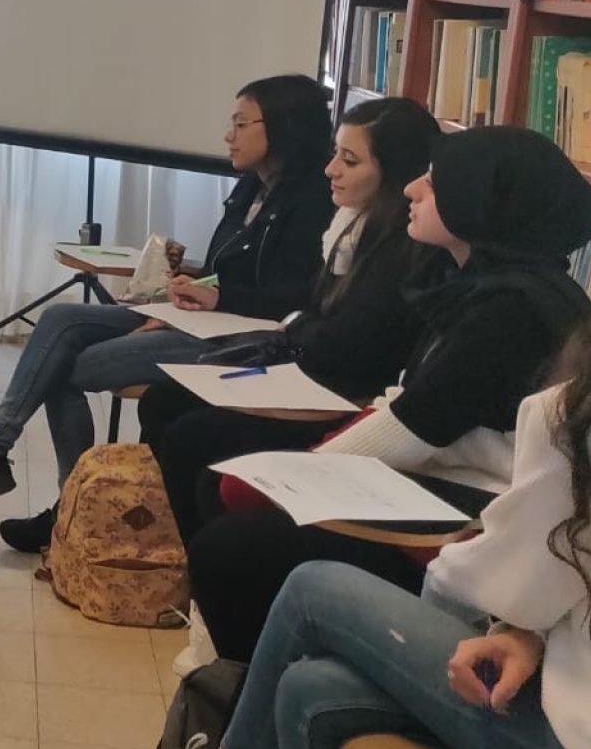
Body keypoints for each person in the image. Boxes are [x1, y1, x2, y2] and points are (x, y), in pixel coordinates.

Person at [101, 256, 591, 749]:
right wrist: (525, 630)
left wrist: (499, 618)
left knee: (315, 588)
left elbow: (493, 585)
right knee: (312, 686)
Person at [183, 124, 591, 664]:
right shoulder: (480, 284)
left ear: (480, 202)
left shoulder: (509, 313)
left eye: (436, 182)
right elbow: (410, 400)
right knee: (225, 488)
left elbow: (411, 426)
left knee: (232, 542)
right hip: (436, 481)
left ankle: (243, 687)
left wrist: (297, 476)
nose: (411, 189)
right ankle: (243, 671)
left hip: (470, 520)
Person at [0, 74, 337, 554]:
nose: (227, 136)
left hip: (241, 341)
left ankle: (65, 507)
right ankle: (2, 455)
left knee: (63, 370)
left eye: (241, 124)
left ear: (283, 126)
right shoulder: (251, 188)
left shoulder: (315, 201)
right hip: (201, 318)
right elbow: (227, 272)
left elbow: (301, 297)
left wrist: (216, 298)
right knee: (61, 319)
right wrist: (182, 292)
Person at [139, 96, 442, 547]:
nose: (331, 169)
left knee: (189, 436)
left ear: (395, 172)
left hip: (339, 397)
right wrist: (283, 320)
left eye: (350, 160)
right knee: (163, 399)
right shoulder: (348, 225)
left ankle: (185, 558)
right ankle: (156, 545)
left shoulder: (405, 246)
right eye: (335, 153)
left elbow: (343, 339)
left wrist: (296, 327)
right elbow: (314, 311)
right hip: (303, 372)